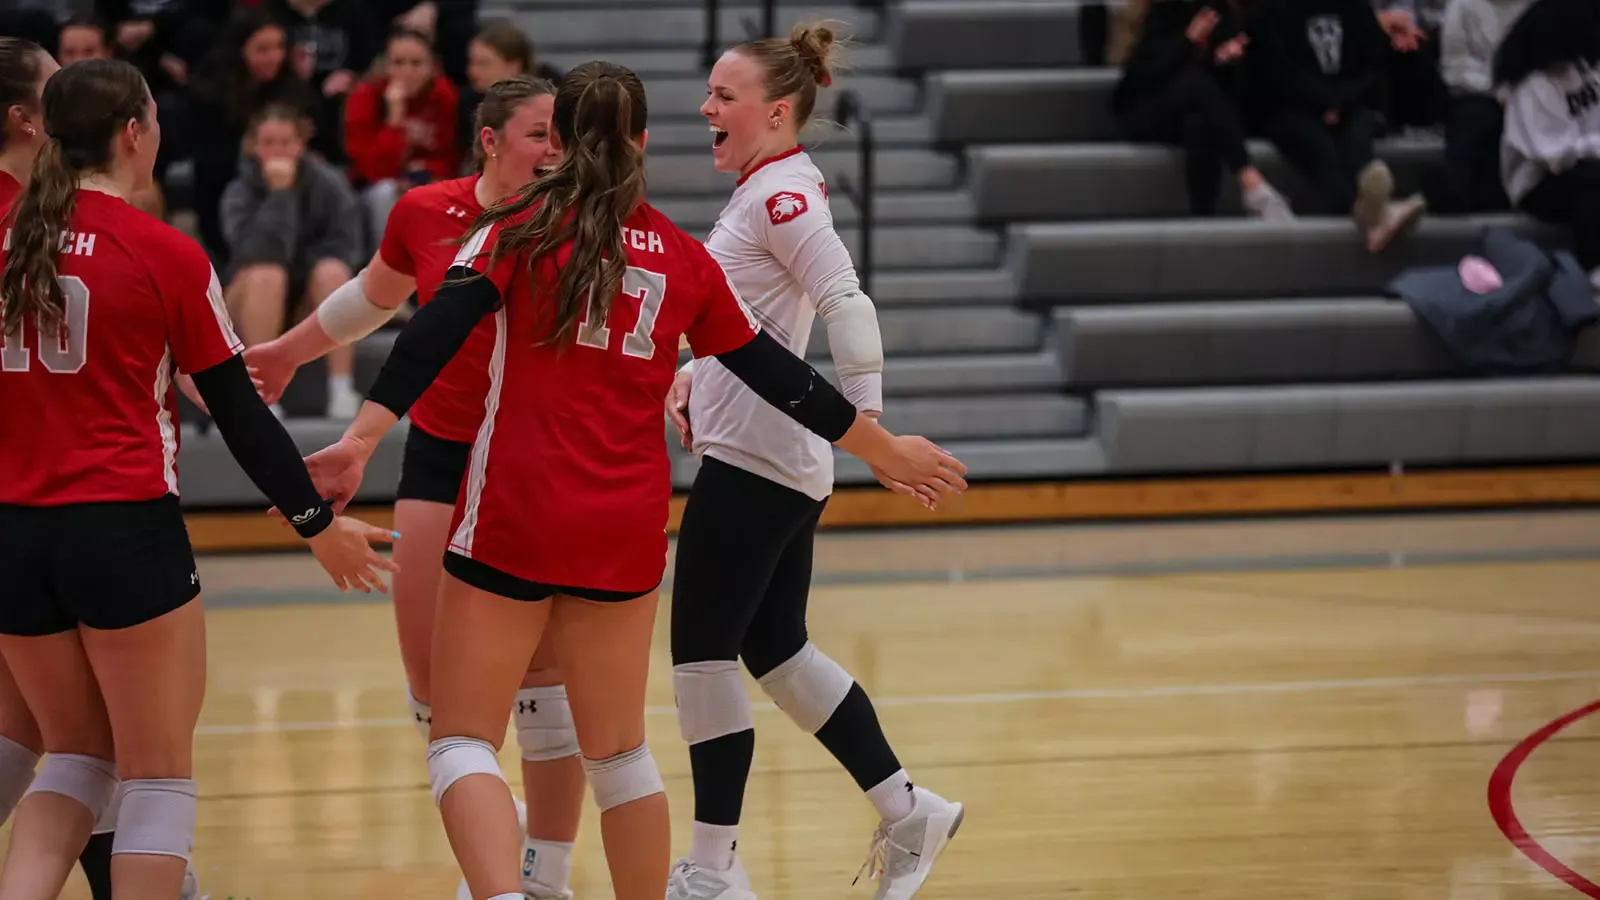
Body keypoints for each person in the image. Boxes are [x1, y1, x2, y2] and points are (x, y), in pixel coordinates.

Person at [299, 59, 967, 900]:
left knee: (462, 740)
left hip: (515, 511)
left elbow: (431, 331)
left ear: (557, 142)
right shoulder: (684, 258)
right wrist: (879, 447)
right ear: (644, 142)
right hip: (624, 531)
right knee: (620, 756)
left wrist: (359, 439)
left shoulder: (514, 230)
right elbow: (779, 374)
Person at [0, 58, 394, 900]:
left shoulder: (9, 235)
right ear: (132, 134)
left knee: (75, 756)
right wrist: (318, 526)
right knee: (154, 772)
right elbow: (243, 417)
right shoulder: (162, 251)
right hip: (123, 530)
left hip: (13, 532)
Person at [242, 76, 588, 900]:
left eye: (562, 134)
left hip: (533, 460)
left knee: (546, 684)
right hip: (440, 452)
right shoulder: (427, 211)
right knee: (433, 689)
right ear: (490, 141)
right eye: (539, 134)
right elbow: (372, 296)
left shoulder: (577, 217)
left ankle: (545, 876)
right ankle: (498, 842)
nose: (555, 150)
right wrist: (288, 350)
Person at [662, 24, 963, 900]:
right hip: (770, 455)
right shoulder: (764, 189)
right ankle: (908, 809)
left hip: (759, 458)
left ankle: (712, 871)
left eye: (724, 95)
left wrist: (874, 431)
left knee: (701, 659)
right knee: (777, 652)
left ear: (777, 111)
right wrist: (695, 373)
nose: (706, 108)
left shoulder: (784, 196)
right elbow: (756, 323)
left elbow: (845, 302)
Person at [1245, 0, 1428, 251]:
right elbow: (1277, 72)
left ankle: (1374, 208)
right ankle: (1378, 214)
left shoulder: (1355, 7)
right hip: (1290, 107)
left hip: (1348, 102)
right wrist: (1323, 103)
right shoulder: (1275, 11)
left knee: (1358, 136)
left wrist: (1338, 104)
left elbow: (1370, 63)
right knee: (1321, 149)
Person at [220, 104, 365, 417]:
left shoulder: (329, 185)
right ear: (255, 147)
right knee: (267, 274)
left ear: (300, 145)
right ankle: (260, 391)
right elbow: (253, 253)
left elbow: (348, 247)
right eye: (268, 142)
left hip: (307, 301)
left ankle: (341, 387)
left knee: (333, 271)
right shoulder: (238, 192)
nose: (277, 151)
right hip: (250, 300)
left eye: (285, 142)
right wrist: (280, 195)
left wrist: (305, 269)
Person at [1112, 0, 1295, 219]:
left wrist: (1221, 61)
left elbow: (1223, 90)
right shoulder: (1163, 12)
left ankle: (1203, 218)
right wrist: (1187, 41)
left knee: (1198, 123)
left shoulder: (1222, 14)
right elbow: (1141, 75)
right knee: (1195, 86)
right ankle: (1249, 178)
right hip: (1146, 109)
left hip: (1195, 112)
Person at [1495, 0, 1600, 290]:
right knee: (1593, 182)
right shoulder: (1531, 85)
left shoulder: (1584, 69)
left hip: (1584, 163)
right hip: (1538, 183)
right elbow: (1552, 156)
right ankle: (1593, 266)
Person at [343, 27, 461, 252]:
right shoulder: (364, 96)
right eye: (398, 63)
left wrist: (425, 174)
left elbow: (450, 158)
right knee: (386, 193)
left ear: (432, 67)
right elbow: (373, 169)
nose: (407, 72)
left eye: (416, 64)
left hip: (428, 182)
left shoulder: (445, 97)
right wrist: (395, 120)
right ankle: (385, 265)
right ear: (384, 66)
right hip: (373, 190)